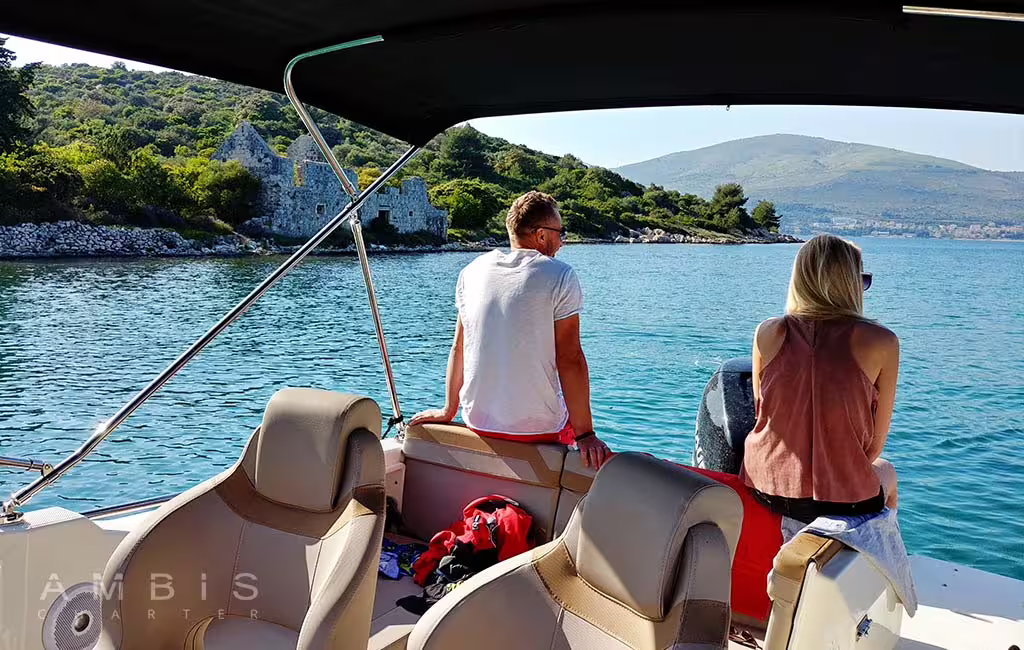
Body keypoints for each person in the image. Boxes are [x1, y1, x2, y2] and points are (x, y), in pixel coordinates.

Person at [410, 191, 612, 469]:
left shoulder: (472, 271)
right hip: (537, 429)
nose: (561, 242)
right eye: (559, 233)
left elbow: (459, 347)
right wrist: (586, 435)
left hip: (476, 421)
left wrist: (449, 410)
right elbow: (570, 359)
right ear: (541, 235)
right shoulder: (560, 275)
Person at [740, 234, 900, 524]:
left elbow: (761, 413)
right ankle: (881, 561)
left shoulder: (767, 332)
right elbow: (874, 447)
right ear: (850, 285)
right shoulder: (882, 342)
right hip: (845, 502)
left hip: (765, 486)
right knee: (887, 470)